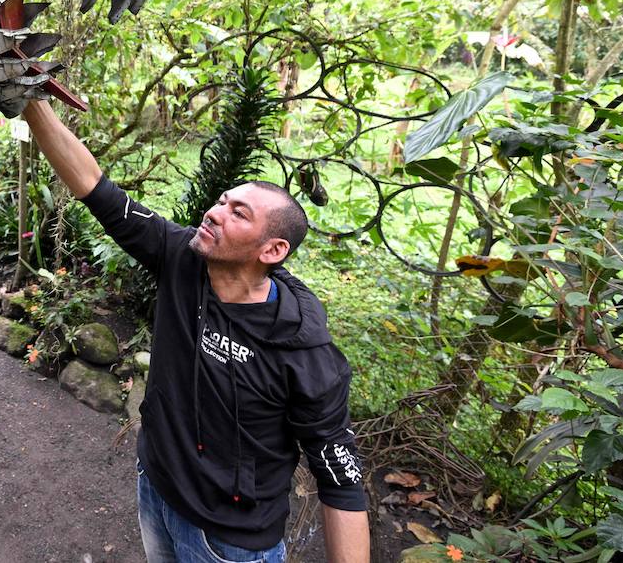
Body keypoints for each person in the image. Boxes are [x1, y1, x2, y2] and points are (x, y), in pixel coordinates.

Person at [21, 100, 370, 563]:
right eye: (222, 200)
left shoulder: (303, 351)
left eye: (238, 213)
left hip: (229, 542)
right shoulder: (181, 257)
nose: (214, 212)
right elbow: (96, 188)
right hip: (156, 491)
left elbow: (341, 482)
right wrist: (29, 100)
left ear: (273, 249)